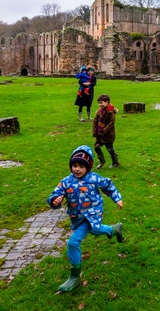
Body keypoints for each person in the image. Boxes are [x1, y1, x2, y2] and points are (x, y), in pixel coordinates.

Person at [47, 145, 125, 293]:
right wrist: (55, 200)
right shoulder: (66, 182)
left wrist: (117, 199)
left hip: (92, 213)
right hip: (77, 216)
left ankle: (74, 277)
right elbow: (55, 194)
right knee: (95, 230)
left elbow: (108, 185)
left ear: (88, 167)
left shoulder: (94, 178)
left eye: (81, 166)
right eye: (75, 165)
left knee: (73, 242)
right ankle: (114, 229)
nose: (77, 169)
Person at [93, 94, 119, 168]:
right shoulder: (99, 112)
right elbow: (95, 121)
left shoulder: (110, 112)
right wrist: (95, 131)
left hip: (108, 135)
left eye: (101, 103)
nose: (100, 104)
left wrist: (104, 131)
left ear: (107, 102)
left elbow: (111, 123)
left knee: (110, 149)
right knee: (97, 147)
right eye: (99, 103)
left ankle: (115, 162)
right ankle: (102, 161)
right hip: (99, 134)